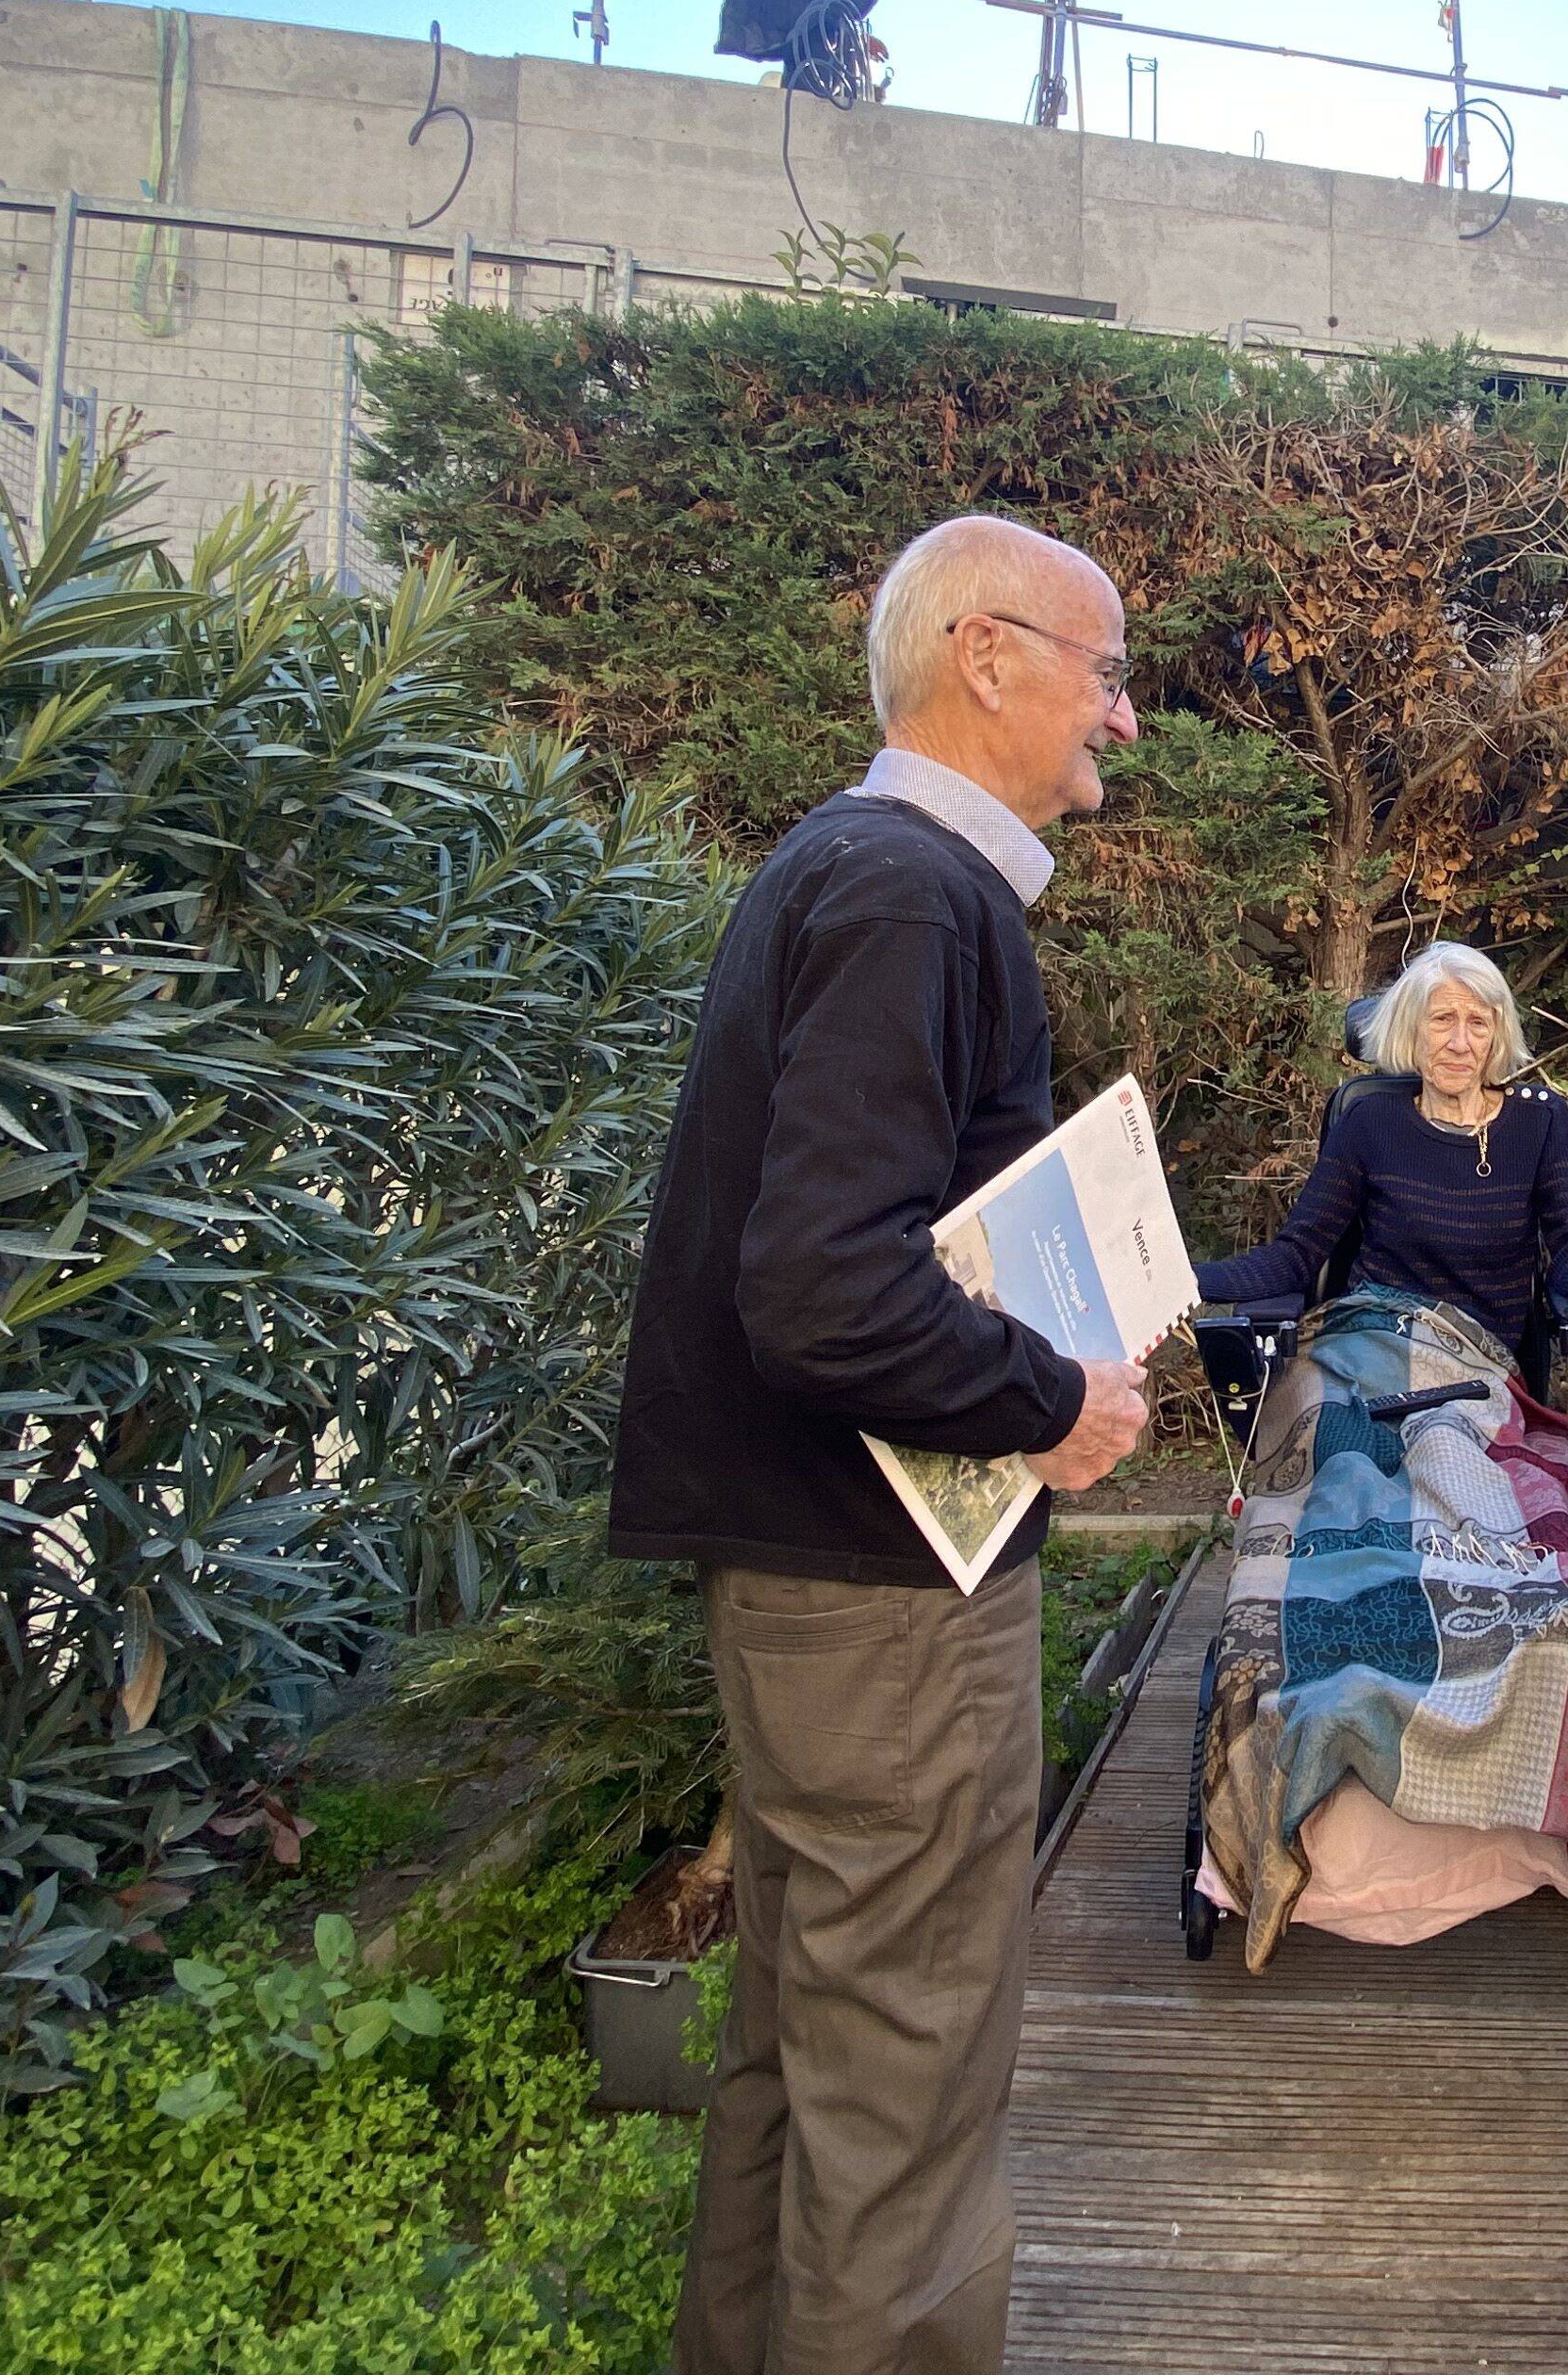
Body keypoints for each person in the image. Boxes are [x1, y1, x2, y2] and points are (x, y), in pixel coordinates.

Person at [608, 512, 1154, 2375]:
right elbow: (826, 1290)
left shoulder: (852, 870)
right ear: (985, 656)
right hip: (888, 1603)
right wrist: (1049, 1396)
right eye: (1103, 668)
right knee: (902, 2094)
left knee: (808, 2061)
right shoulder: (912, 892)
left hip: (821, 1588)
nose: (1123, 714)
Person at [1196, 940, 1568, 1359]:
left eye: (1478, 1023)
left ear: (1496, 1036)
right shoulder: (1369, 1120)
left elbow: (1566, 1245)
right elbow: (1296, 1256)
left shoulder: (1539, 1122)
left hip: (1476, 1368)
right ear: (1411, 1029)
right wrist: (1184, 1284)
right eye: (1442, 1019)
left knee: (1439, 1425)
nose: (1460, 1044)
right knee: (1328, 1419)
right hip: (1369, 1347)